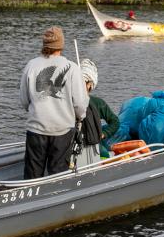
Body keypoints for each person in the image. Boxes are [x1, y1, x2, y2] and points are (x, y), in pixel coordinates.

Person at [19, 26, 89, 179]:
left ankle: (31, 201)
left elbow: (24, 101)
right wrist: (80, 116)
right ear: (61, 45)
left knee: (32, 176)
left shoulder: (30, 66)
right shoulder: (72, 68)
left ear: (44, 45)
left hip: (36, 130)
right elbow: (80, 105)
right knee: (57, 177)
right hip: (62, 131)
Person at [74, 59, 120, 167]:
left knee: (103, 153)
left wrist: (104, 134)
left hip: (91, 145)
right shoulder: (70, 102)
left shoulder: (97, 103)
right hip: (76, 145)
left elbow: (115, 122)